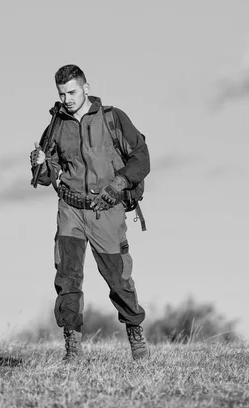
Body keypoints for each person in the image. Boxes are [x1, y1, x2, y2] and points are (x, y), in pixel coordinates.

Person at [29, 64, 150, 361]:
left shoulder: (113, 118)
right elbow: (47, 176)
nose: (67, 98)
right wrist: (40, 162)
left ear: (86, 87)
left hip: (105, 210)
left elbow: (141, 159)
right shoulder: (57, 125)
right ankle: (72, 347)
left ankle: (135, 332)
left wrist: (117, 186)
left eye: (72, 92)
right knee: (67, 277)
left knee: (118, 279)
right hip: (70, 209)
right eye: (62, 93)